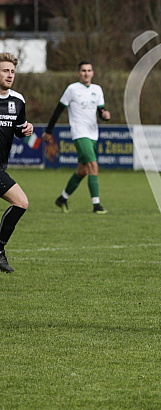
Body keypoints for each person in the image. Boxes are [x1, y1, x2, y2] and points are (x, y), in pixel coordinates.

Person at [42, 61, 110, 214]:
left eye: (89, 70)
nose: (86, 73)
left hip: (93, 133)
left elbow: (101, 110)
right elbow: (58, 110)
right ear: (79, 73)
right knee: (94, 166)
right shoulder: (72, 89)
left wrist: (105, 115)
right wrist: (48, 131)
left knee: (83, 170)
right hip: (79, 133)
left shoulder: (97, 89)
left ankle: (62, 199)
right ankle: (96, 205)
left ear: (93, 73)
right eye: (83, 70)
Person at [0, 53, 34, 273]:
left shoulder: (18, 100)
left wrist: (26, 130)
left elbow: (19, 128)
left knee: (21, 203)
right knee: (21, 202)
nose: (9, 75)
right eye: (5, 70)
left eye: (12, 71)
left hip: (1, 167)